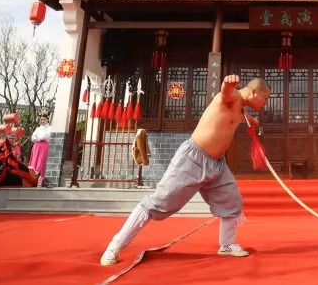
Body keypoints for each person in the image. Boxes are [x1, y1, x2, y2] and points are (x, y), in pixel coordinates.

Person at [100, 75, 270, 265]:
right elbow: (225, 92)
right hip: (192, 159)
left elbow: (240, 117)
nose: (265, 103)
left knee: (232, 200)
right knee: (158, 203)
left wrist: (253, 121)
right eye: (265, 98)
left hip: (217, 165)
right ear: (254, 92)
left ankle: (227, 245)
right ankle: (115, 245)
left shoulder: (241, 108)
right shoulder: (232, 97)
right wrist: (227, 83)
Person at [28, 114, 52, 187]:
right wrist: (39, 138)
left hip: (44, 146)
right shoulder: (38, 129)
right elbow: (33, 138)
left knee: (42, 162)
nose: (42, 121)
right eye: (41, 119)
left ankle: (41, 179)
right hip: (36, 147)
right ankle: (33, 178)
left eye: (44, 119)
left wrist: (38, 138)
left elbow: (45, 136)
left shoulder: (50, 128)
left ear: (47, 120)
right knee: (34, 161)